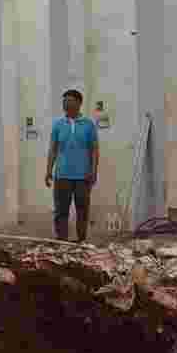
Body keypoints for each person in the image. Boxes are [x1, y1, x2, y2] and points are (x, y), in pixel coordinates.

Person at [44, 88, 101, 243]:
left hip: (83, 176)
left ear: (79, 103)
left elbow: (94, 150)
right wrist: (49, 170)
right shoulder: (58, 125)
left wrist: (94, 171)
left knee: (82, 210)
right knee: (61, 210)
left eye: (69, 101)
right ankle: (62, 239)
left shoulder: (88, 125)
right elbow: (53, 149)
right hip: (62, 175)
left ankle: (81, 240)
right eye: (64, 101)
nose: (65, 104)